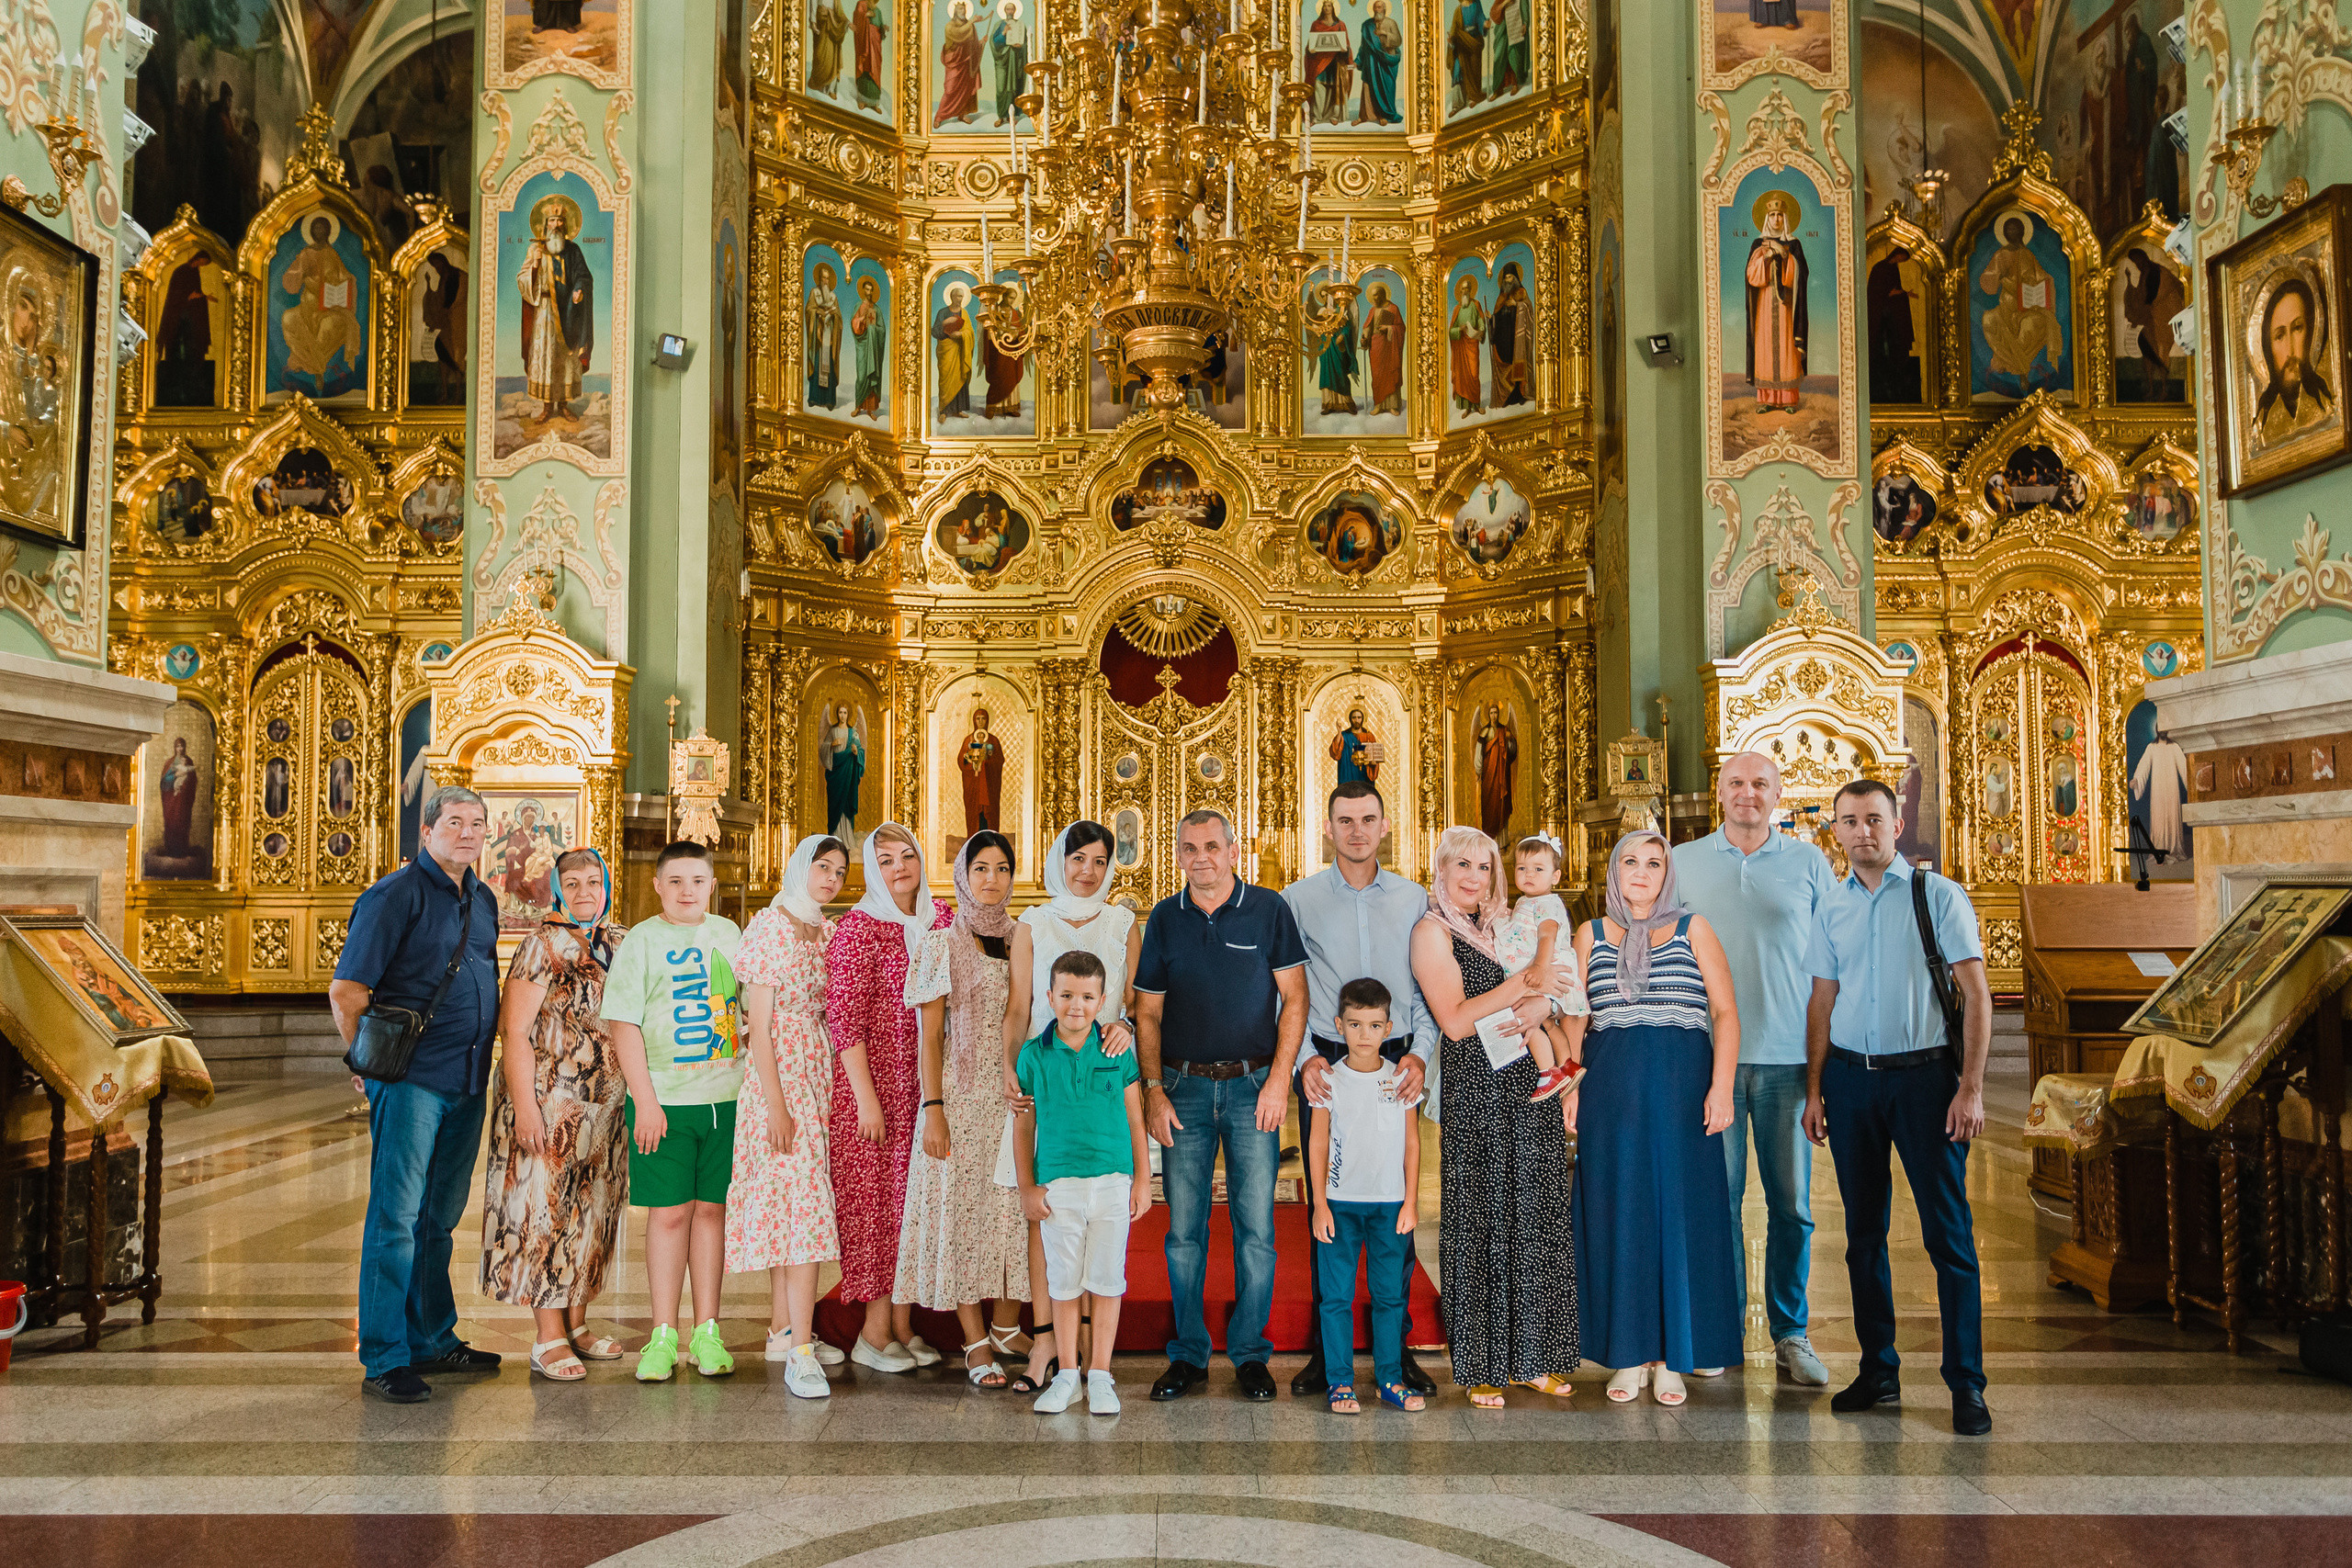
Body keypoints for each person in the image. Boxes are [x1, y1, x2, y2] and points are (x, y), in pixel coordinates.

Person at [1803, 779, 1993, 1435]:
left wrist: (1969, 1086)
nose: (1863, 831)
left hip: (1926, 1081)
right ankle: (1878, 1369)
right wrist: (1815, 1090)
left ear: (1898, 820)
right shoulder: (1832, 905)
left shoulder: (1937, 895)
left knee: (1949, 1236)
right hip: (1853, 1082)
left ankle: (1966, 1383)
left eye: (1874, 819)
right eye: (1850, 821)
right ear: (1837, 831)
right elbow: (1822, 1001)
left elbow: (1977, 995)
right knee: (1862, 1237)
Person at [331, 785, 503, 1404]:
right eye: (453, 821)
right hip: (411, 1082)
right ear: (427, 830)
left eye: (476, 823)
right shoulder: (393, 895)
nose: (466, 832)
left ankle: (432, 1336)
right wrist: (366, 1062)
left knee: (438, 1217)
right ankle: (384, 1353)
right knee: (396, 1217)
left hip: (466, 1080)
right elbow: (348, 989)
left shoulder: (480, 898)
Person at [1670, 753, 1837, 1388]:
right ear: (1718, 790)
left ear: (1778, 793)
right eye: (1736, 783)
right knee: (1718, 1200)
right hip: (1706, 1062)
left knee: (1791, 1204)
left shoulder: (1807, 863)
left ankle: (1791, 1333)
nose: (1747, 793)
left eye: (1759, 784)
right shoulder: (1681, 862)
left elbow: (1829, 969)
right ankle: (1721, 1330)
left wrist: (1824, 1075)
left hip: (1788, 1062)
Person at [1136, 808, 1308, 1403]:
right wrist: (1154, 1089)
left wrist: (1278, 1080)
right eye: (1189, 847)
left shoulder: (1269, 910)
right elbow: (1148, 1012)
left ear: (1233, 849)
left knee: (1256, 1229)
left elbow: (1296, 998)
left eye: (1212, 845)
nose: (1201, 856)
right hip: (1182, 1089)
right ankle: (1187, 1354)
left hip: (1250, 1089)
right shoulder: (1165, 918)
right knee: (1184, 1230)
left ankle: (1251, 1355)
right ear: (1178, 853)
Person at [1572, 831, 1742, 1406]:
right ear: (1613, 870)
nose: (1640, 872)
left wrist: (1721, 1088)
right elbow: (1576, 1019)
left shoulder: (1695, 930)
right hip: (1611, 1098)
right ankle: (1628, 1354)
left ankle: (1673, 1357)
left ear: (1667, 874)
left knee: (1678, 1218)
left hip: (1682, 1094)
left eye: (1653, 863)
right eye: (1629, 861)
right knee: (1620, 1216)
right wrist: (1570, 1088)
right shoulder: (1588, 935)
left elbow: (1724, 1010)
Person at [1409, 825, 1577, 1408]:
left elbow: (1554, 981)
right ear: (1442, 869)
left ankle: (1537, 1357)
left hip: (1529, 1086)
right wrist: (1520, 986)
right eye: (1462, 865)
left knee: (1536, 1216)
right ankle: (1483, 1362)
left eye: (1484, 867)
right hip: (1478, 1089)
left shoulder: (1506, 925)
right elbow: (1454, 1021)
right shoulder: (1432, 933)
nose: (1474, 876)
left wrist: (1543, 998)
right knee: (1481, 1220)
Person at [1284, 782, 1436, 1397]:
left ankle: (1396, 1355)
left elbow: (1427, 988)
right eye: (1344, 820)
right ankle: (1329, 1356)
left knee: (1392, 1202)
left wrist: (1422, 1056)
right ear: (1328, 826)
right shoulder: (1297, 900)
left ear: (1384, 823)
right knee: (1330, 1209)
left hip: (1397, 1059)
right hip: (1326, 1059)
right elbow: (1285, 990)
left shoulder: (1414, 897)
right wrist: (1301, 1061)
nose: (1356, 830)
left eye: (1367, 818)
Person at [480, 848, 631, 1382]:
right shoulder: (540, 945)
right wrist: (525, 1108)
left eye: (595, 881)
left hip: (605, 1107)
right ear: (558, 889)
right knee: (543, 1213)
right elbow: (514, 1030)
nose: (586, 890)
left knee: (594, 1211)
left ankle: (577, 1323)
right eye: (574, 881)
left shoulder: (619, 941)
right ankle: (547, 1337)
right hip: (547, 1102)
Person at [1002, 821, 1141, 1393]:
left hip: (1101, 1078)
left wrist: (1126, 1027)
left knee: (1099, 1216)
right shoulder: (1031, 923)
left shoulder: (1124, 922)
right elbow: (1018, 1007)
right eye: (1077, 857)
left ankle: (1091, 1352)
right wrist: (1010, 1071)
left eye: (1099, 859)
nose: (1087, 869)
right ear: (1059, 859)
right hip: (1042, 1076)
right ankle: (1047, 1345)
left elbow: (1131, 1001)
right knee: (1046, 1217)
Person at [603, 840, 745, 1382]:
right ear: (658, 886)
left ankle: (707, 1330)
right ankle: (663, 1334)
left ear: (712, 885)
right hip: (664, 1103)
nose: (688, 891)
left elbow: (744, 1006)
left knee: (712, 1212)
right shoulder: (641, 941)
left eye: (698, 881)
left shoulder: (730, 934)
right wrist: (645, 1101)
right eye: (676, 881)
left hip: (725, 1099)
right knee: (668, 1215)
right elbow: (624, 1025)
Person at [899, 833, 1033, 1386]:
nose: (992, 880)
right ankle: (975, 1341)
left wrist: (1012, 1070)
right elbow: (929, 1037)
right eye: (981, 868)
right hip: (956, 1095)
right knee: (961, 1214)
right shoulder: (940, 942)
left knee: (1009, 1212)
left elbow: (1023, 1009)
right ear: (962, 873)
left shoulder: (1020, 935)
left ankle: (1006, 1328)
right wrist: (933, 1110)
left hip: (1011, 1093)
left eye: (1003, 869)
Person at [727, 834, 852, 1400]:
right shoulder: (770, 927)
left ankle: (783, 1330)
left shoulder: (825, 930)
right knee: (802, 1210)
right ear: (800, 868)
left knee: (792, 1207)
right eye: (821, 867)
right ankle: (802, 1351)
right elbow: (756, 1027)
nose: (830, 878)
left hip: (817, 1072)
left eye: (839, 870)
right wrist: (776, 1104)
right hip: (778, 1080)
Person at [828, 821, 955, 1371]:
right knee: (877, 1209)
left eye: (907, 856)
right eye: (885, 861)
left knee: (912, 1207)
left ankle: (903, 1325)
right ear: (870, 871)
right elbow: (844, 1021)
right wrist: (866, 1100)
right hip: (876, 1086)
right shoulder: (860, 928)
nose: (899, 867)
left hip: (926, 1085)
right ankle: (873, 1335)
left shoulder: (941, 919)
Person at [1012, 950, 1150, 1415]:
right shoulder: (1033, 1055)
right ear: (1049, 997)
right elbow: (1023, 1126)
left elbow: (1135, 1118)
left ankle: (1101, 1373)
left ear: (1102, 1000)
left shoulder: (1117, 1050)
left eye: (1088, 997)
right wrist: (1029, 1188)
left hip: (1112, 1180)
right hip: (1058, 1185)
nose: (1077, 1005)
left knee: (1108, 1280)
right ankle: (1068, 1373)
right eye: (1067, 995)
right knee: (1065, 1283)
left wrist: (1142, 1179)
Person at [1309, 977, 1423, 1415]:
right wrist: (1319, 1204)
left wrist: (1410, 1201)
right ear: (1339, 1025)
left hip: (1390, 1205)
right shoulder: (1327, 1079)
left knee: (1390, 1296)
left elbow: (1412, 1143)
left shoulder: (1401, 1079)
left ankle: (1390, 1379)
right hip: (1340, 1204)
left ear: (1389, 1028)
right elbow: (1318, 1143)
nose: (1364, 1035)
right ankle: (1340, 1383)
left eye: (1374, 1026)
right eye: (1354, 1025)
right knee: (1336, 1297)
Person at [1497, 832, 1586, 1100]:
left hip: (1546, 972)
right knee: (1549, 1024)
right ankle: (1568, 1064)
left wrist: (1539, 968)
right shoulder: (1527, 901)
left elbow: (1547, 936)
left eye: (1538, 869)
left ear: (1555, 877)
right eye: (1522, 868)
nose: (1529, 875)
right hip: (1542, 972)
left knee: (1525, 1020)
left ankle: (1548, 1072)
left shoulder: (1547, 903)